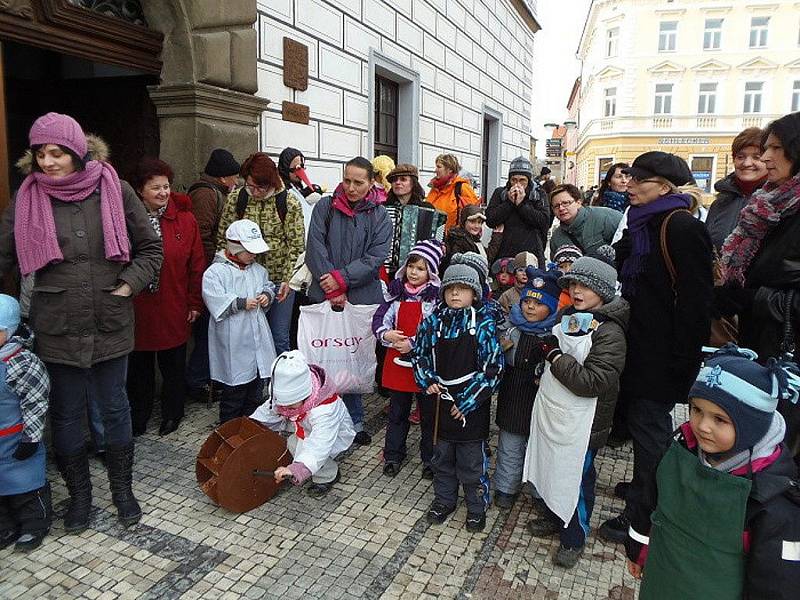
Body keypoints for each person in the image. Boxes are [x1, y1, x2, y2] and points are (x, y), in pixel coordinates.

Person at [0, 113, 162, 532]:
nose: (48, 162)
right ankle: (80, 497)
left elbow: (149, 250)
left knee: (115, 408)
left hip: (110, 318)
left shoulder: (116, 187)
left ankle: (123, 490)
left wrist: (127, 285)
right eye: (40, 154)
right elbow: (4, 258)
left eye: (57, 153)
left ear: (76, 151)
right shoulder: (27, 197)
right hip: (57, 325)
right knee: (66, 414)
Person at [600, 151, 713, 543]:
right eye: (629, 177)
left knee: (651, 434)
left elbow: (697, 304)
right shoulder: (644, 223)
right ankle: (643, 489)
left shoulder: (680, 228)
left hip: (662, 357)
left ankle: (643, 521)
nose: (628, 185)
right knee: (643, 428)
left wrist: (684, 363)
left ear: (663, 187)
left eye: (637, 180)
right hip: (641, 346)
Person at [625, 346, 800, 599]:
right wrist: (638, 549)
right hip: (662, 580)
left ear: (753, 426)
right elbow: (650, 501)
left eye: (720, 419)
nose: (703, 426)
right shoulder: (678, 450)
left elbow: (777, 583)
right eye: (697, 410)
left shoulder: (773, 500)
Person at [524, 257, 629, 568]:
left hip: (584, 423)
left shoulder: (611, 333)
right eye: (573, 285)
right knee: (551, 467)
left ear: (602, 290)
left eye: (585, 286)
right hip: (556, 414)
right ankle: (555, 516)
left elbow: (593, 382)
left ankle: (574, 536)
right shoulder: (570, 315)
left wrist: (555, 356)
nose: (577, 291)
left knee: (576, 479)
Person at [717, 112, 800, 459]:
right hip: (759, 342)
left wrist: (755, 299)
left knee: (777, 456)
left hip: (788, 362)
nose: (765, 158)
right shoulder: (769, 204)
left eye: (775, 148)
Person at [412, 255, 503, 532]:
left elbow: (493, 369)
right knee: (441, 458)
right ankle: (444, 500)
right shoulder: (432, 323)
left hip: (470, 409)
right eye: (450, 288)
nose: (455, 293)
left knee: (471, 462)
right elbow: (420, 355)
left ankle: (476, 507)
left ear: (473, 293)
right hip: (439, 403)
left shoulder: (483, 324)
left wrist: (467, 401)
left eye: (462, 288)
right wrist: (427, 379)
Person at [305, 157, 392, 445]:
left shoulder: (379, 215)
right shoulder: (325, 207)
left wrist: (342, 279)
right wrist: (331, 286)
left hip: (361, 297)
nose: (351, 187)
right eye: (347, 180)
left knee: (353, 359)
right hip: (325, 293)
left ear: (371, 183)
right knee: (326, 357)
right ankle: (323, 420)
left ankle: (354, 421)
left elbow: (375, 256)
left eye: (358, 182)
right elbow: (315, 247)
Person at [126, 158, 205, 437]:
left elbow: (197, 265)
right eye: (155, 187)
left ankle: (173, 414)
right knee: (139, 368)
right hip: (138, 307)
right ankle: (139, 414)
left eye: (166, 186)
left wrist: (195, 302)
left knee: (173, 366)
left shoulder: (185, 219)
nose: (162, 193)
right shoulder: (127, 220)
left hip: (173, 303)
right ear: (139, 190)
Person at [216, 152, 303, 355]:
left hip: (279, 279)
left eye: (260, 187)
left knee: (278, 336)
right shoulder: (238, 198)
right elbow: (223, 237)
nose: (254, 192)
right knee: (247, 336)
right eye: (250, 186)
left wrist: (289, 280)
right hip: (243, 278)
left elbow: (296, 246)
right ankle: (252, 383)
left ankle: (280, 382)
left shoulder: (288, 201)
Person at [372, 240, 442, 478]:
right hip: (397, 361)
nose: (414, 272)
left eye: (421, 268)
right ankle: (393, 454)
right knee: (397, 411)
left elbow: (434, 329)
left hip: (424, 365)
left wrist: (412, 343)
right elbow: (380, 319)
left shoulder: (434, 300)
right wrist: (387, 334)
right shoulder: (395, 295)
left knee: (428, 415)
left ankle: (430, 459)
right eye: (411, 266)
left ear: (430, 273)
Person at [494, 267, 561, 510]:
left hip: (542, 399)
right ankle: (506, 486)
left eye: (539, 303)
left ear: (552, 308)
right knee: (510, 443)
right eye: (527, 301)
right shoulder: (510, 327)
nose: (530, 307)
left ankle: (539, 491)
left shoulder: (555, 334)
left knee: (540, 447)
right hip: (513, 394)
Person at [250, 351, 356, 498]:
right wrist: (252, 424)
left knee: (306, 449)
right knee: (294, 443)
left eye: (291, 407)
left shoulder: (325, 410)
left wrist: (297, 469)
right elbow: (270, 410)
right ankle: (306, 464)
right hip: (307, 430)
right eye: (283, 405)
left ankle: (328, 475)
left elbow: (320, 444)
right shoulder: (287, 397)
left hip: (332, 434)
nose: (286, 410)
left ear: (305, 396)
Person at [203, 219, 277, 424]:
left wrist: (266, 295)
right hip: (233, 340)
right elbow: (215, 300)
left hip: (255, 336)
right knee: (234, 392)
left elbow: (268, 285)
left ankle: (250, 428)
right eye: (249, 251)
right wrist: (241, 303)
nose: (253, 255)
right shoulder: (216, 273)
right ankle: (229, 429)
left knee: (254, 389)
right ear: (234, 248)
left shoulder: (257, 270)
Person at [186, 149, 241, 401]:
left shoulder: (213, 192)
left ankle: (206, 380)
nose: (236, 182)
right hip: (207, 272)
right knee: (207, 331)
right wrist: (215, 266)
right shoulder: (206, 195)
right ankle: (197, 383)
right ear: (222, 178)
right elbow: (202, 235)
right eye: (233, 177)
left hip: (210, 270)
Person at [0, 295, 52, 552]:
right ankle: (5, 525)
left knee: (26, 487)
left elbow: (36, 401)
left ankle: (35, 524)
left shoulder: (22, 363)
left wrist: (31, 437)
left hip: (17, 439)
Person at [707, 127, 767, 252]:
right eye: (740, 157)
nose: (746, 163)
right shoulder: (720, 202)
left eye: (756, 157)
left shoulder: (778, 200)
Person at [485, 156, 550, 267]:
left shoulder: (538, 194)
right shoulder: (500, 193)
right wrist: (509, 203)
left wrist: (521, 205)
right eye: (514, 180)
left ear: (528, 180)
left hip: (531, 254)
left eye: (522, 180)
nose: (517, 184)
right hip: (504, 255)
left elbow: (544, 221)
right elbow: (490, 220)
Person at [548, 184, 622, 260]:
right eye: (556, 206)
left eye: (566, 203)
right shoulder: (556, 239)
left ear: (578, 202)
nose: (561, 208)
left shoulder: (605, 217)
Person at [426, 154, 480, 231]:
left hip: (453, 239)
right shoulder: (434, 189)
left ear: (450, 169)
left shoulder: (462, 188)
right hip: (431, 238)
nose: (435, 170)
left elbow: (473, 216)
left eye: (439, 167)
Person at [277, 147, 323, 236]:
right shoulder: (282, 192)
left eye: (302, 166)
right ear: (285, 168)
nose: (300, 172)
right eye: (296, 168)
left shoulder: (297, 187)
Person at [441, 204, 487, 275]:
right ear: (464, 222)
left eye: (479, 222)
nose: (477, 226)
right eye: (472, 222)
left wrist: (497, 235)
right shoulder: (458, 240)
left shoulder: (474, 240)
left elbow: (486, 258)